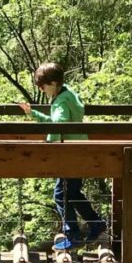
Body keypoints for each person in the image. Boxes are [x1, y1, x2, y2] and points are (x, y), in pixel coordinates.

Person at [19, 62, 105, 251]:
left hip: (69, 154)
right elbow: (58, 121)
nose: (41, 89)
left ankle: (73, 234)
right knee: (72, 193)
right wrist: (33, 113)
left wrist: (49, 148)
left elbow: (59, 125)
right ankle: (96, 223)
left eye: (43, 85)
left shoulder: (61, 101)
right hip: (78, 151)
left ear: (54, 83)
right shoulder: (68, 95)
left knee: (61, 194)